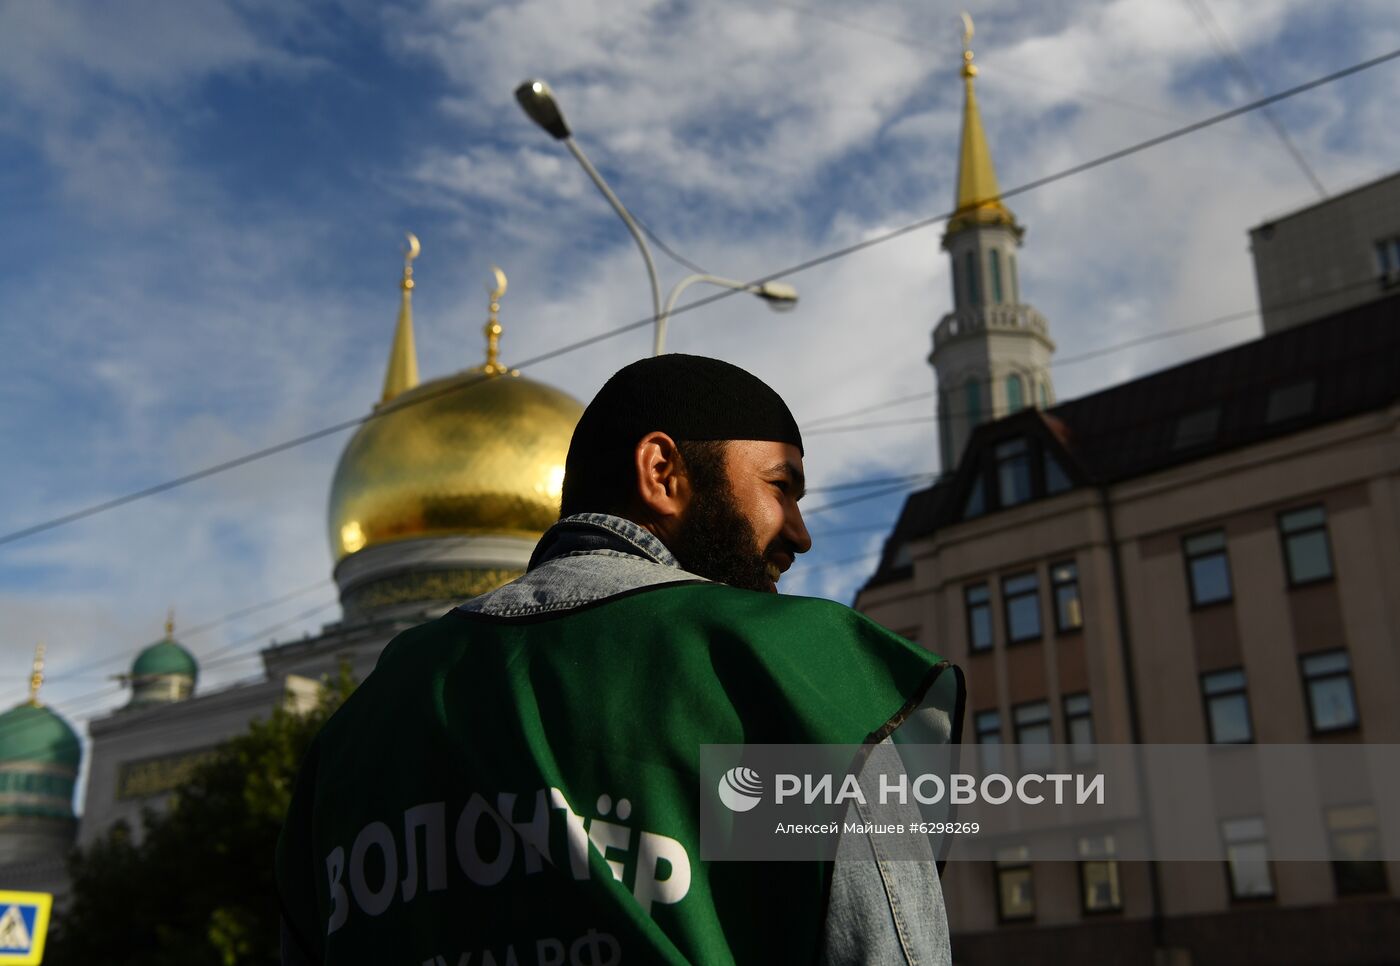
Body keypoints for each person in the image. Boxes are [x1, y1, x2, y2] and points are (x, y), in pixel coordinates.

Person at [277, 354, 963, 965]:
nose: (800, 534)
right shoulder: (796, 676)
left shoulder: (356, 732)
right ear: (661, 472)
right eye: (781, 487)